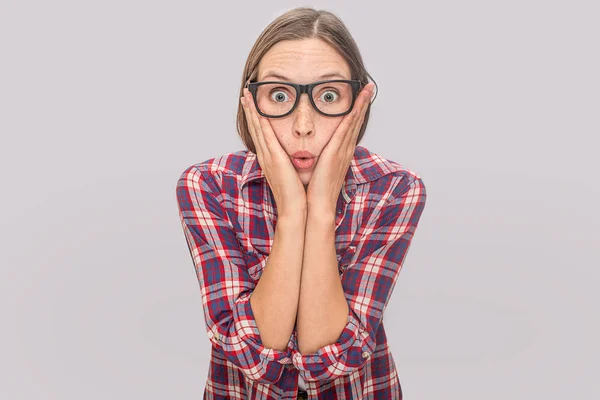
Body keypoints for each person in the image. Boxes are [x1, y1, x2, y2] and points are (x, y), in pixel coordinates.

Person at [176, 7, 427, 400]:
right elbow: (256, 356)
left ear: (358, 102)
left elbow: (330, 361)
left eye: (329, 95)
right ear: (249, 101)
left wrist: (322, 210)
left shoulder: (394, 189)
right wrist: (293, 212)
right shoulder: (209, 186)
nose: (303, 125)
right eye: (279, 95)